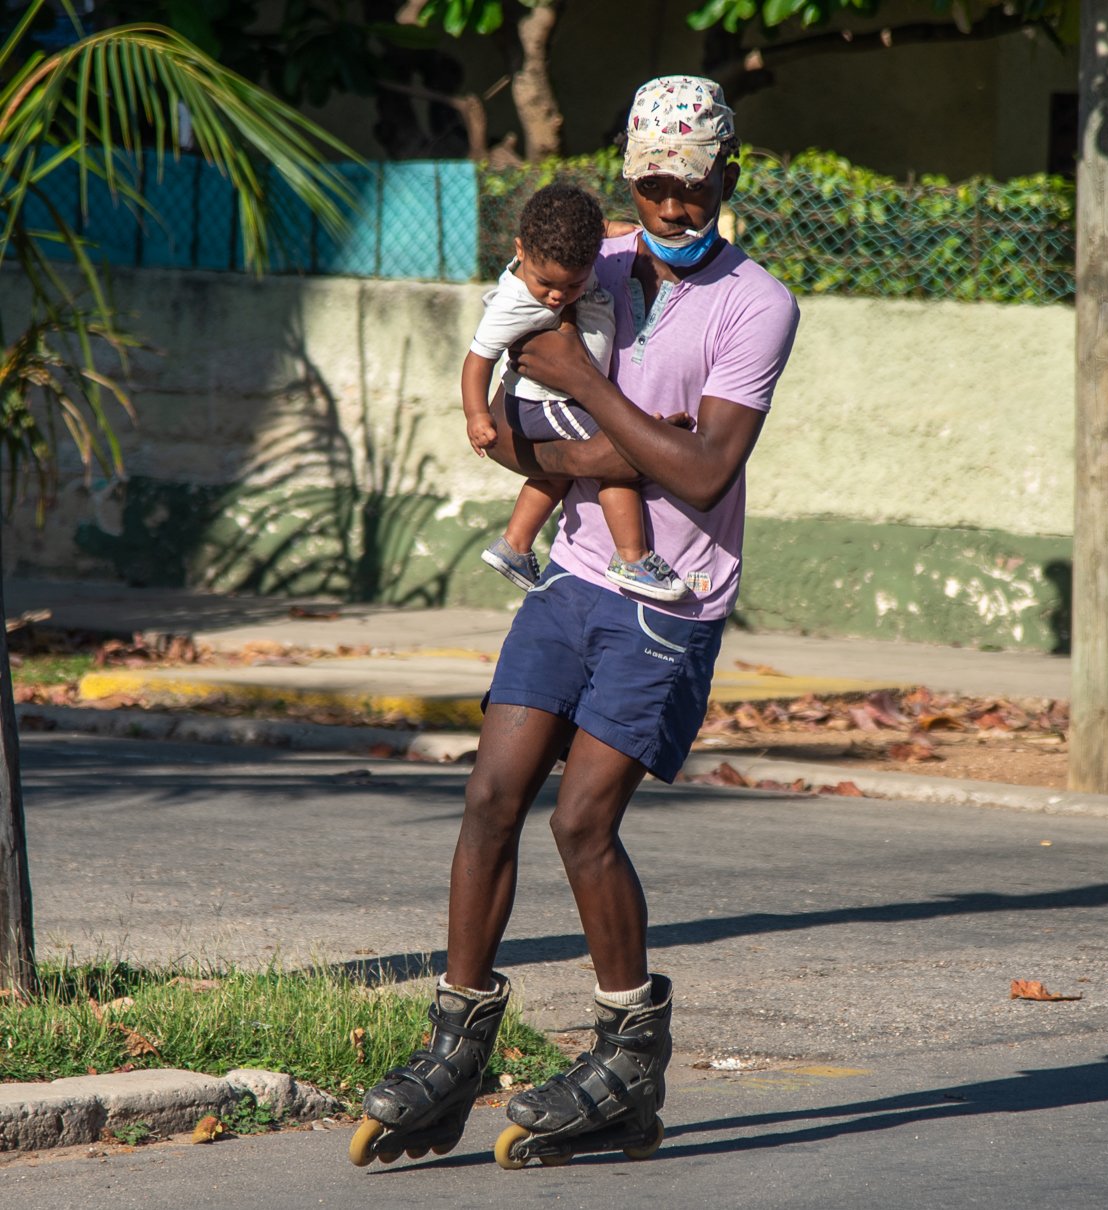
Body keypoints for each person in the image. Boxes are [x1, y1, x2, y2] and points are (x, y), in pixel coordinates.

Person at [350, 75, 800, 1171]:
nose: (673, 207)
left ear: (727, 177)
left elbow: (702, 471)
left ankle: (631, 1053)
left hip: (669, 601)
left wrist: (583, 391)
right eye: (653, 185)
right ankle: (458, 1039)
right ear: (629, 178)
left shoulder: (759, 305)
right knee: (493, 795)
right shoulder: (579, 258)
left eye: (693, 187)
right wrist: (611, 441)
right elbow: (505, 429)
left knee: (582, 820)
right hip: (572, 574)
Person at [463, 182, 687, 602]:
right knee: (616, 456)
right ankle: (632, 556)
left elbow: (598, 228)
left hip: (560, 397)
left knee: (559, 473)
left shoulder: (569, 247)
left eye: (573, 285)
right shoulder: (513, 303)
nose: (556, 296)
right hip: (547, 399)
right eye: (545, 283)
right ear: (521, 251)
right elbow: (478, 359)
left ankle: (514, 545)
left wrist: (631, 234)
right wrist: (477, 415)